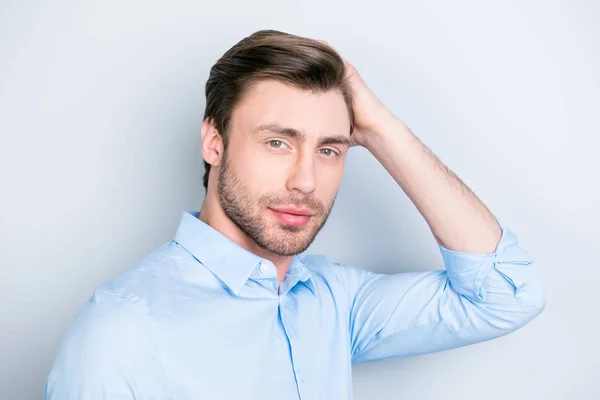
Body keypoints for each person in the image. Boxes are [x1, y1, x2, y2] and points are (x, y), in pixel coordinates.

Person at [44, 30, 546, 400]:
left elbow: (506, 296)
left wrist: (382, 130)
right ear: (214, 142)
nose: (305, 181)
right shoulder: (125, 331)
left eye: (329, 150)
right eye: (278, 142)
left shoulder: (335, 302)